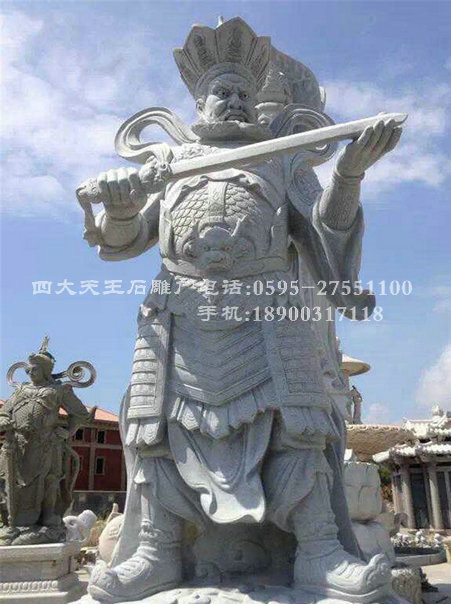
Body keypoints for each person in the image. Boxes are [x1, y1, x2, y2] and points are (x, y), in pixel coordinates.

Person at [80, 17, 403, 603]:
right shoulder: (169, 163)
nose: (233, 100)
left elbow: (324, 230)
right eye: (222, 91)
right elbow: (124, 241)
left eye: (242, 92)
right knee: (157, 426)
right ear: (198, 100)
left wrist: (349, 174)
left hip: (269, 315)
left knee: (300, 425)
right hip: (179, 317)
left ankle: (320, 550)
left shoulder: (280, 160)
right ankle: (156, 549)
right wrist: (124, 206)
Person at [0, 343, 91, 545]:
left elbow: (80, 414)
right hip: (18, 446)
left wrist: (68, 431)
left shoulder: (58, 390)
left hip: (45, 444)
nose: (30, 372)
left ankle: (47, 522)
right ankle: (13, 524)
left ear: (44, 370)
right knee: (12, 484)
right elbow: (4, 412)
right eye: (29, 369)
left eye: (34, 368)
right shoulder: (20, 390)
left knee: (47, 482)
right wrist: (4, 421)